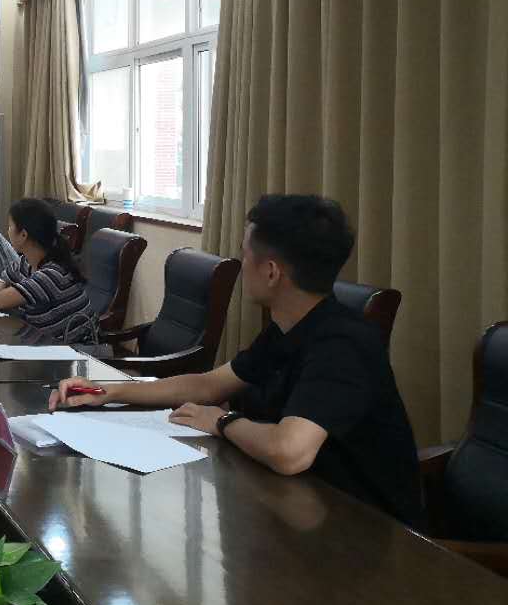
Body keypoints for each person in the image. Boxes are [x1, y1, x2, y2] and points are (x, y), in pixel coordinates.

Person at [49, 194, 422, 526]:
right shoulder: (289, 327)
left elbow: (290, 451)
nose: (243, 265)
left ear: (271, 272)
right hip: (293, 506)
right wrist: (109, 391)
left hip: (364, 531)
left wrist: (222, 421)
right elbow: (208, 384)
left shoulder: (342, 343)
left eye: (246, 255)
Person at [0, 197, 96, 345]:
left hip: (78, 352)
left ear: (23, 235)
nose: (7, 231)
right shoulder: (26, 262)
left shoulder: (49, 276)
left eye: (10, 226)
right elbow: (2, 283)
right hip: (48, 345)